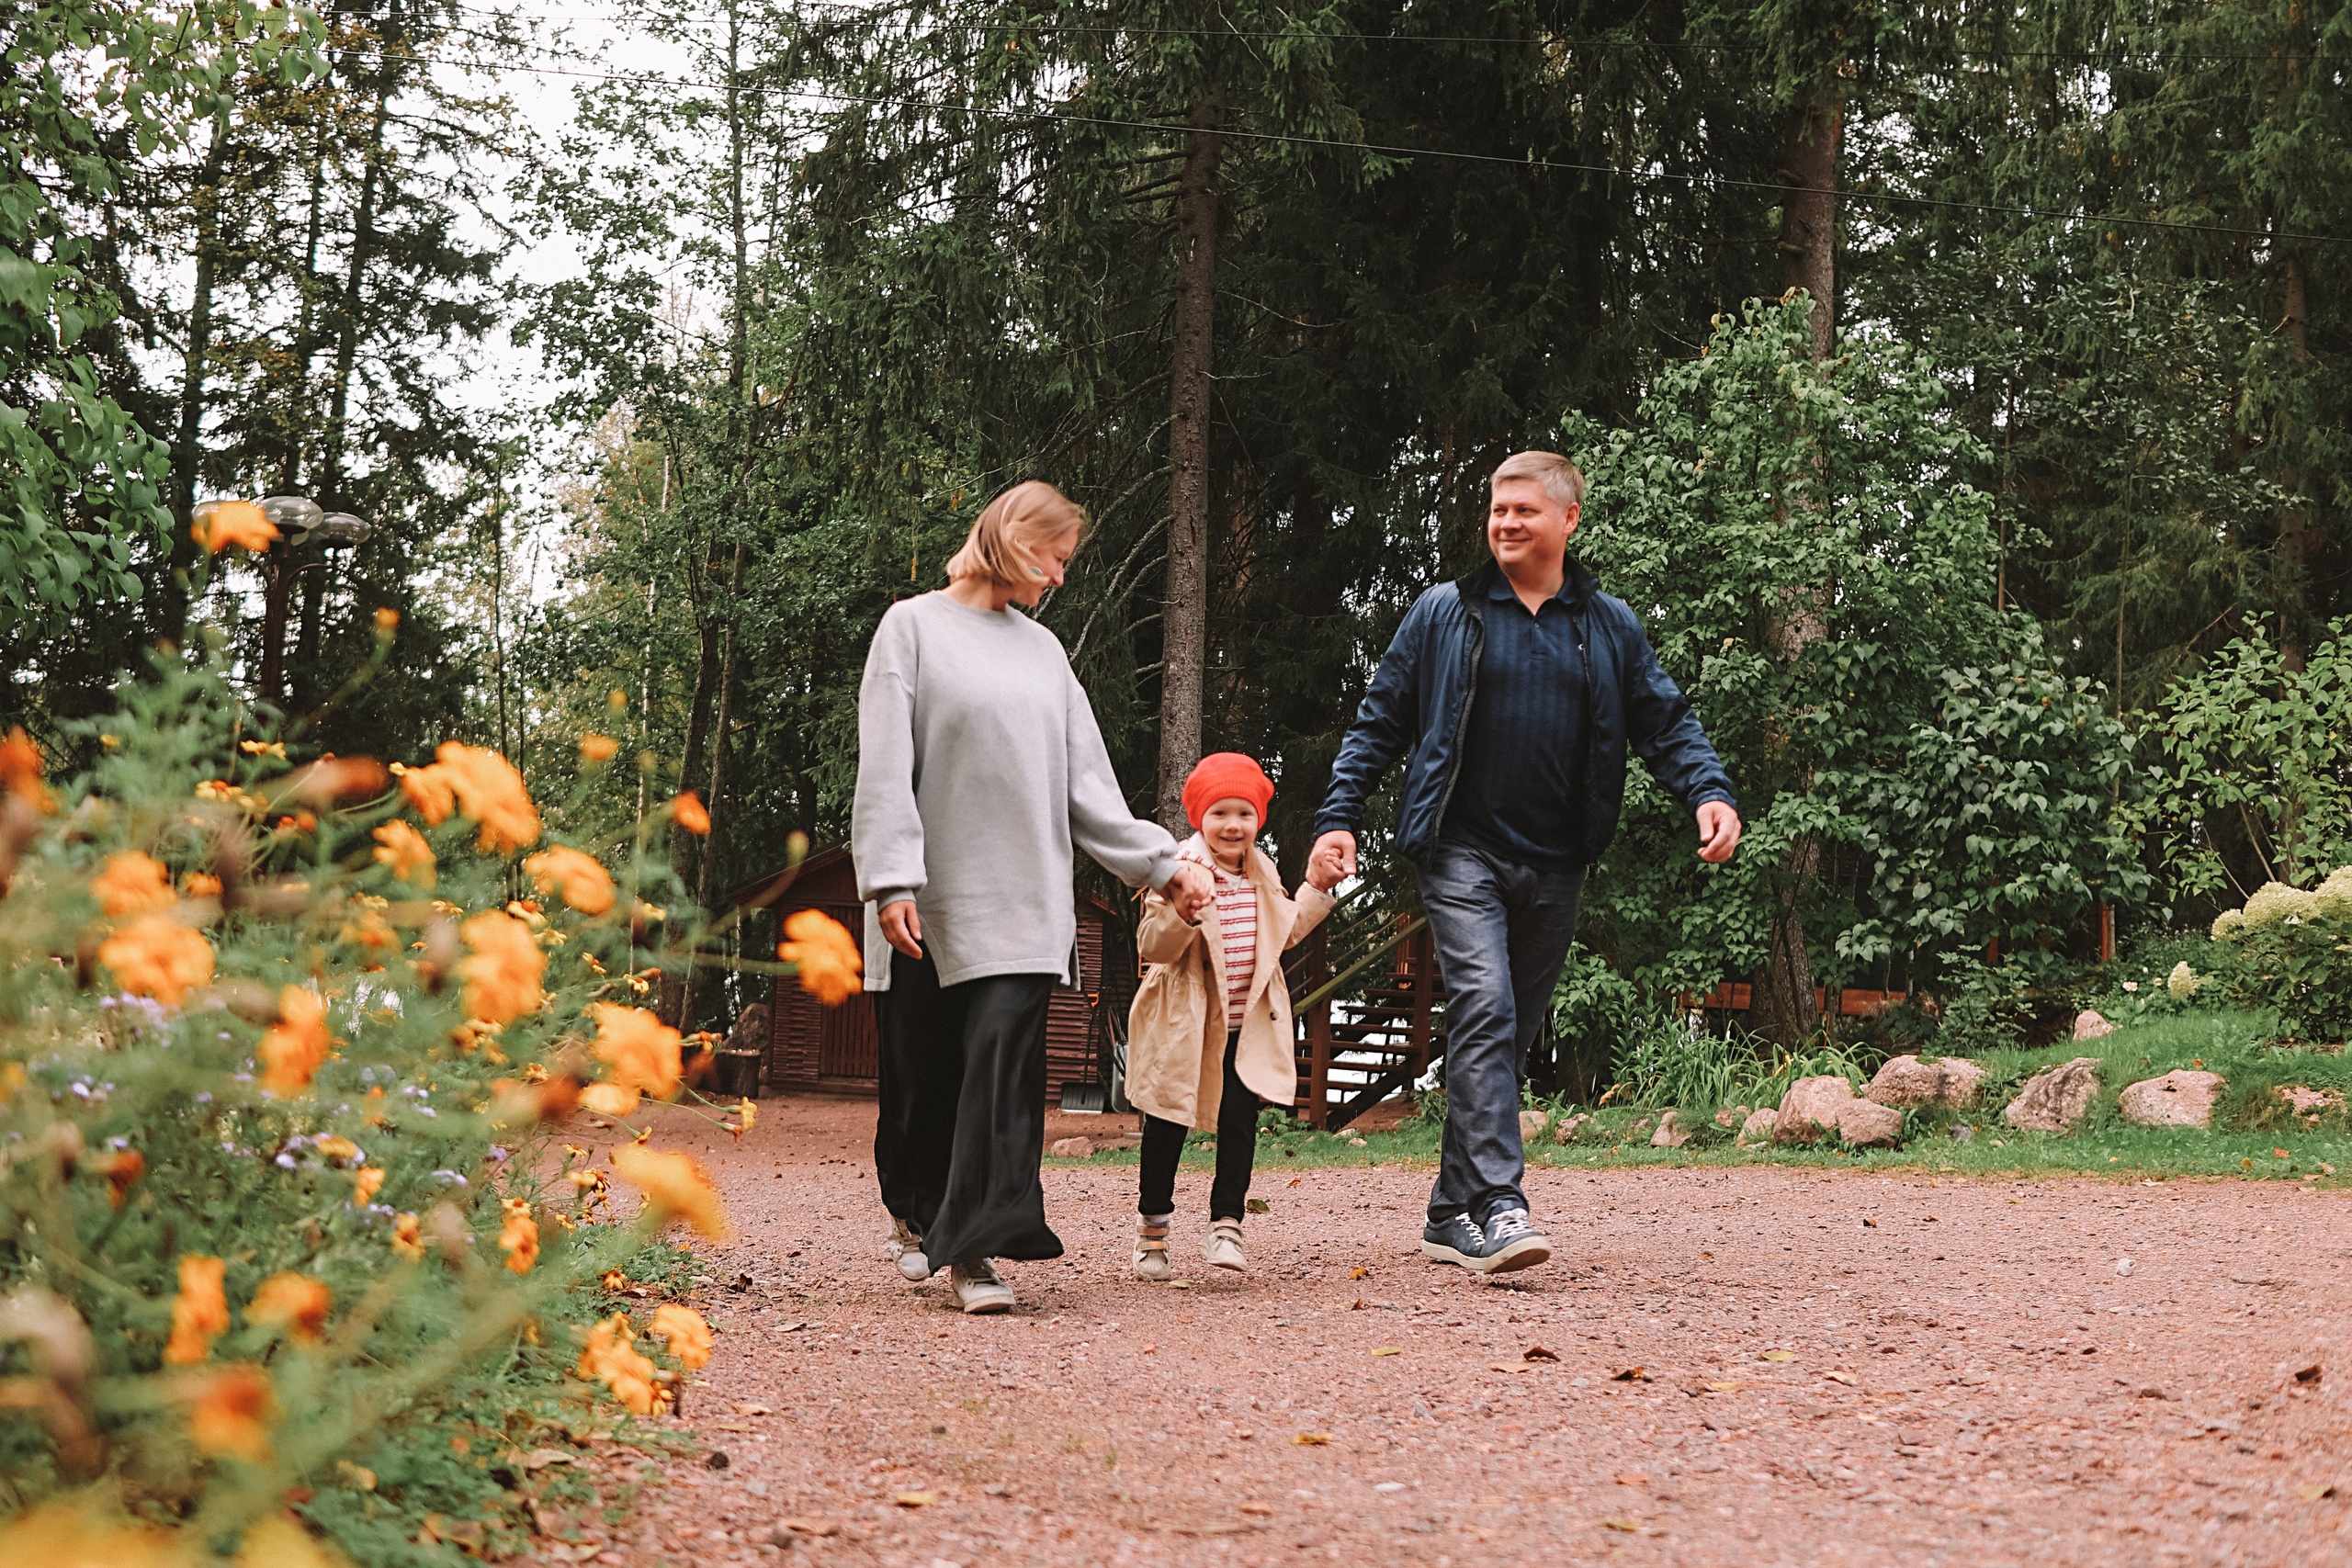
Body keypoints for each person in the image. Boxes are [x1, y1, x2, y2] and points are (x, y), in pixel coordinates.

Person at [1309, 451, 1741, 1274]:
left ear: (1568, 520)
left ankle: (1447, 1214)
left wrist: (1707, 791)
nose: (1505, 522)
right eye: (1497, 509)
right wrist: (1338, 817)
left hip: (1558, 860)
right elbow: (1380, 721)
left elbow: (1664, 718)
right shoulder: (1446, 612)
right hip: (1460, 850)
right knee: (1487, 1006)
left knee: (1501, 1037)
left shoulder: (1607, 623)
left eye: (1523, 510)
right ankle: (1503, 1204)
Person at [853, 480, 1214, 1314]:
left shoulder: (1044, 654)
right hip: (929, 898)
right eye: (1055, 557)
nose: (1058, 578)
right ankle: (916, 1210)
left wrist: (1165, 866)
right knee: (922, 1082)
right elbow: (883, 768)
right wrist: (892, 879)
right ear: (1017, 538)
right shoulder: (911, 629)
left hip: (1024, 902)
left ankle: (973, 1248)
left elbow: (1088, 787)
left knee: (1000, 1074)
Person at [1125, 753, 1343, 1280]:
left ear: (1257, 821)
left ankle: (1227, 1225)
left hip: (1244, 1027)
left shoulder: (1262, 869)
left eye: (1244, 814)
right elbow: (1151, 946)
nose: (1232, 825)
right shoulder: (1178, 869)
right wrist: (1182, 911)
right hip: (1186, 1026)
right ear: (1200, 817)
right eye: (1220, 813)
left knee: (1239, 1124)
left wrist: (1315, 886)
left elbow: (1282, 933)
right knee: (1167, 1124)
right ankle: (1152, 1234)